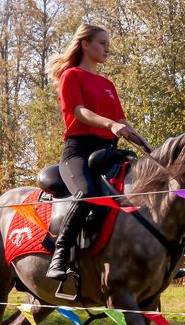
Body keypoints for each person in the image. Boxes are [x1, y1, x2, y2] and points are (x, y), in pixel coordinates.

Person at [43, 23, 150, 282]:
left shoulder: (107, 84)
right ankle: (60, 253)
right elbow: (80, 112)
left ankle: (152, 256)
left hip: (108, 153)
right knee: (87, 194)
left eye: (108, 44)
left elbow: (123, 121)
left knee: (141, 189)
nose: (107, 49)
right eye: (102, 43)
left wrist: (149, 147)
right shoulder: (71, 76)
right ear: (85, 45)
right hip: (78, 152)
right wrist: (110, 124)